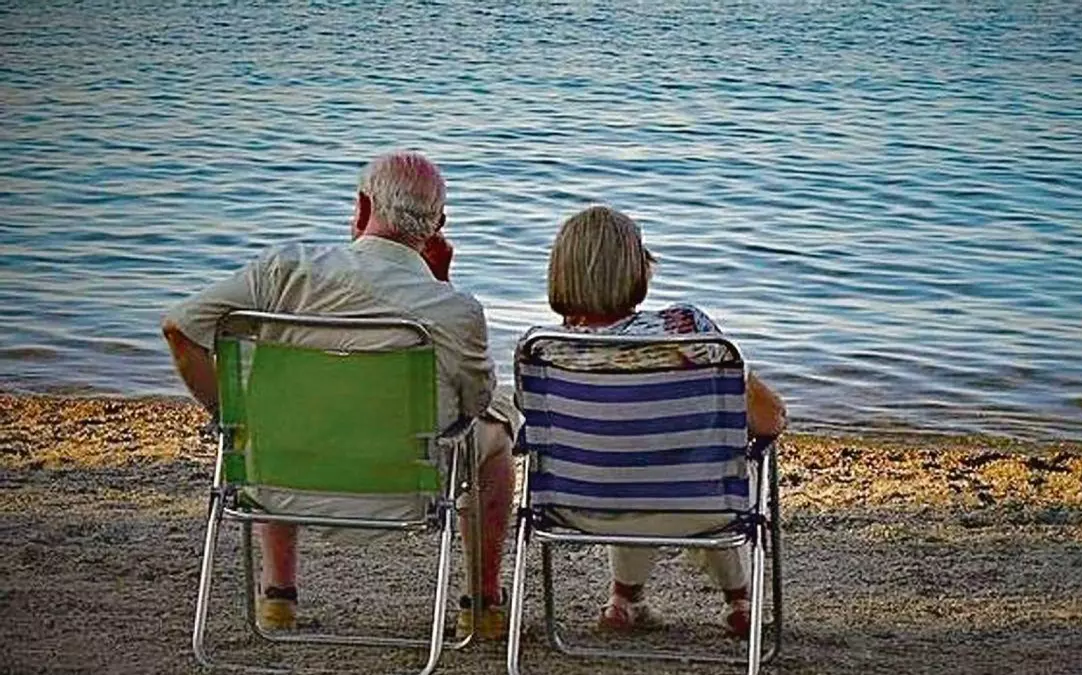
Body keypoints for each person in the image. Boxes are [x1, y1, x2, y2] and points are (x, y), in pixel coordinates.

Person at [162, 151, 515, 639]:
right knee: (499, 428)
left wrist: (232, 420)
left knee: (276, 412)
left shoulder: (284, 271)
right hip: (402, 493)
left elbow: (180, 330)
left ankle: (277, 597)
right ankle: (482, 603)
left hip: (280, 480)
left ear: (363, 206)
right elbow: (474, 401)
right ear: (438, 226)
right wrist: (440, 285)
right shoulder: (453, 308)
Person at [528, 204, 787, 639]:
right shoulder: (688, 330)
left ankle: (622, 602)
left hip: (578, 507)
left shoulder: (542, 350)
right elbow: (769, 420)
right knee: (701, 457)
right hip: (700, 507)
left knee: (623, 454)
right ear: (635, 269)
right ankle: (740, 602)